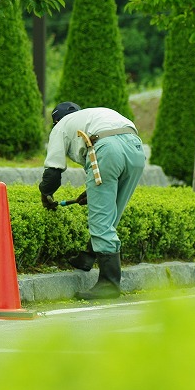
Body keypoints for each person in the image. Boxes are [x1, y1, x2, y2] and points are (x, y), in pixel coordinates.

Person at [39, 101, 146, 299]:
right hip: (136, 148)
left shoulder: (60, 126)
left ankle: (109, 283)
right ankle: (87, 257)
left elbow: (52, 173)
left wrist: (45, 195)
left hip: (106, 149)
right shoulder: (94, 116)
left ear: (55, 121)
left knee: (100, 219)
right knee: (111, 211)